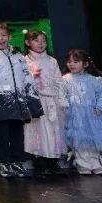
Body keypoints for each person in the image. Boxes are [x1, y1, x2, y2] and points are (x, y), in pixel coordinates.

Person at [0, 22, 40, 178]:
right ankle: (3, 163)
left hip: (18, 100)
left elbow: (27, 77)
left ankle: (17, 162)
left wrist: (33, 100)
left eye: (4, 35)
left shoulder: (18, 55)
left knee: (17, 133)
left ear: (10, 36)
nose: (0, 38)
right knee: (1, 134)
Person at [24, 30, 67, 178]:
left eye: (43, 40)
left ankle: (53, 162)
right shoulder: (25, 61)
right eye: (36, 40)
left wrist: (61, 100)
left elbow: (59, 82)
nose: (41, 43)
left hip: (52, 101)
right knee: (39, 132)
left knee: (55, 131)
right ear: (28, 43)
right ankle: (40, 163)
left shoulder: (52, 61)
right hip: (37, 102)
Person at [62, 49, 102, 175]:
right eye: (69, 62)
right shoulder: (65, 79)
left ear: (85, 64)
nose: (71, 64)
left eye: (75, 62)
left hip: (93, 115)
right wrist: (65, 107)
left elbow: (101, 94)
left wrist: (100, 107)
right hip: (75, 116)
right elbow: (62, 95)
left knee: (93, 140)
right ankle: (83, 164)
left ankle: (95, 164)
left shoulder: (94, 80)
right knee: (79, 141)